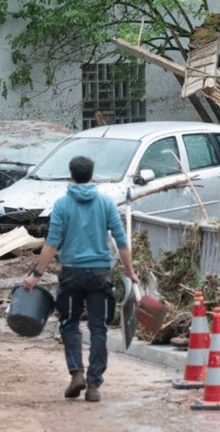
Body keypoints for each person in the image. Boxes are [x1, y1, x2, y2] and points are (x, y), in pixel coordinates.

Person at [21, 156, 138, 402]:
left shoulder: (62, 205)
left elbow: (51, 244)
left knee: (70, 324)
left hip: (72, 275)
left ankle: (76, 373)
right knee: (99, 328)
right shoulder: (106, 204)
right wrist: (130, 272)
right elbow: (121, 240)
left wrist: (35, 275)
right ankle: (94, 384)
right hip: (99, 275)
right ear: (92, 174)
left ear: (71, 175)